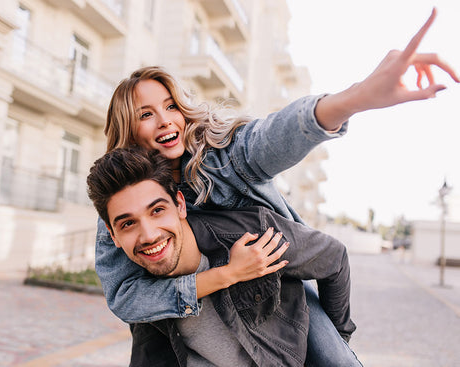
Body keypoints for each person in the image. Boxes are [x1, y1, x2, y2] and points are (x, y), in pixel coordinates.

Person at [93, 8, 458, 366]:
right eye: (146, 114)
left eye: (171, 106)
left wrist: (355, 99)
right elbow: (125, 296)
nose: (165, 120)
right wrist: (223, 275)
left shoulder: (221, 155)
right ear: (128, 127)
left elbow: (272, 137)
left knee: (335, 358)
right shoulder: (120, 203)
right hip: (194, 319)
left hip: (276, 292)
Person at [87, 146, 358, 367]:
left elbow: (333, 258)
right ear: (113, 237)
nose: (148, 235)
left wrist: (336, 342)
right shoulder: (143, 299)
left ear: (180, 205)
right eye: (127, 224)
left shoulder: (252, 236)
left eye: (157, 211)